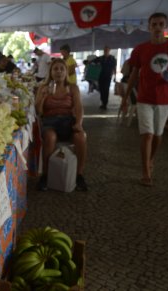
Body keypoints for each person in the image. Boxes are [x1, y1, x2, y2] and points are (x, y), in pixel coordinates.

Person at [120, 12, 168, 187]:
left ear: (166, 26)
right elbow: (133, 75)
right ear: (149, 27)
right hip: (144, 98)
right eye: (154, 24)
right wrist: (125, 98)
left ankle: (151, 159)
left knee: (158, 136)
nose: (157, 27)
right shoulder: (141, 49)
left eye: (161, 24)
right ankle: (146, 172)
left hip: (165, 99)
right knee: (147, 135)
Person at [35, 58, 88, 192]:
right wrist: (43, 97)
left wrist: (78, 123)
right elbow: (38, 111)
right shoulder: (43, 87)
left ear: (66, 72)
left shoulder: (73, 88)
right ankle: (45, 175)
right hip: (50, 121)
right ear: (51, 72)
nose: (59, 72)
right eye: (55, 69)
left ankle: (79, 175)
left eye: (61, 69)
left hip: (67, 121)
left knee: (81, 137)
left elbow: (79, 108)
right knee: (50, 137)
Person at [92, 46, 117, 110]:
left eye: (107, 50)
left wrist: (115, 76)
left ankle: (105, 103)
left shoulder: (112, 58)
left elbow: (114, 68)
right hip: (101, 76)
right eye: (105, 50)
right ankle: (103, 102)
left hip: (108, 76)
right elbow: (92, 62)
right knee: (101, 89)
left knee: (106, 89)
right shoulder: (100, 58)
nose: (106, 51)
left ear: (109, 50)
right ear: (103, 50)